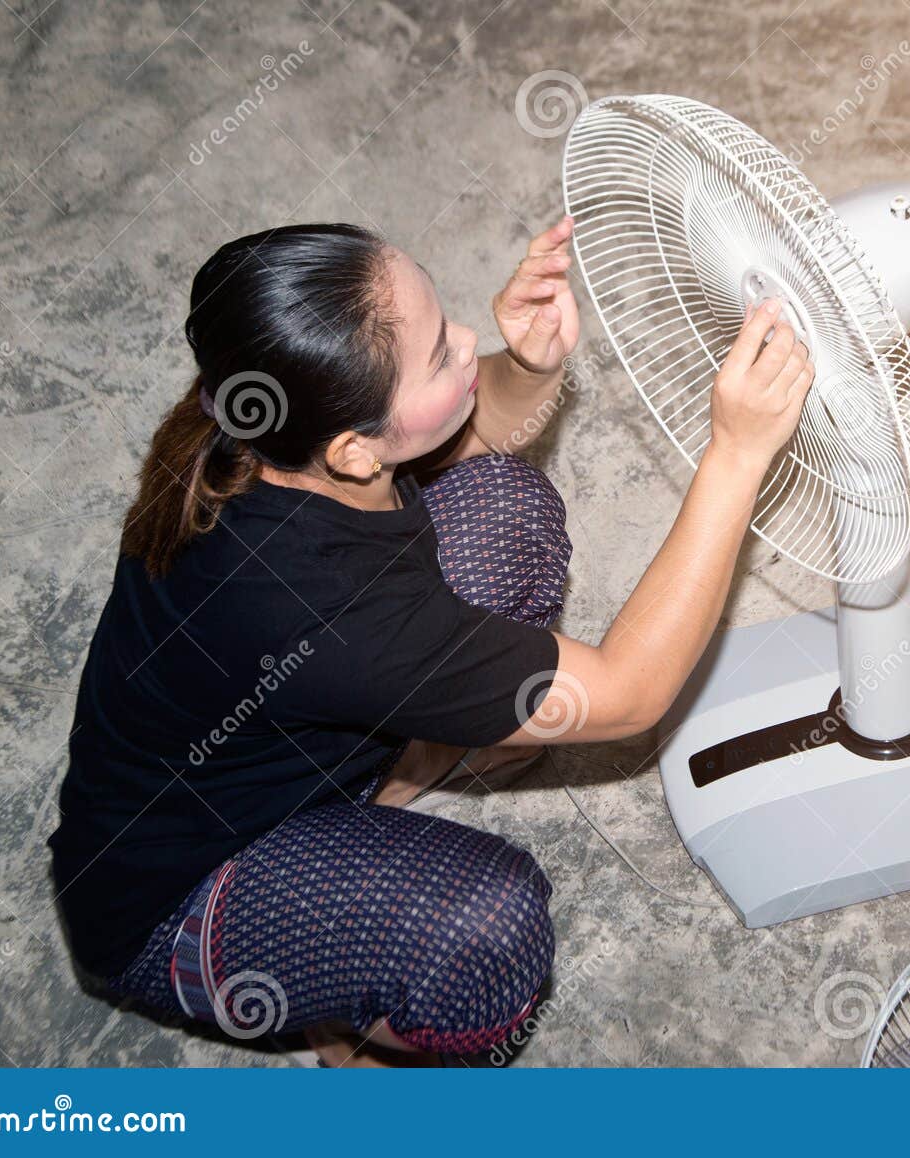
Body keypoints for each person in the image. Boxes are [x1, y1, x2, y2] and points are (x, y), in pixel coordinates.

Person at [48, 215, 814, 1066]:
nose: (469, 337)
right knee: (486, 931)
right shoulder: (321, 604)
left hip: (281, 747)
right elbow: (632, 693)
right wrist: (738, 456)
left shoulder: (255, 423)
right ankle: (358, 1045)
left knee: (508, 510)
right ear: (352, 451)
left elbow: (464, 438)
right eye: (443, 355)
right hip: (176, 898)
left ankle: (384, 807)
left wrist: (526, 367)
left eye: (446, 320)